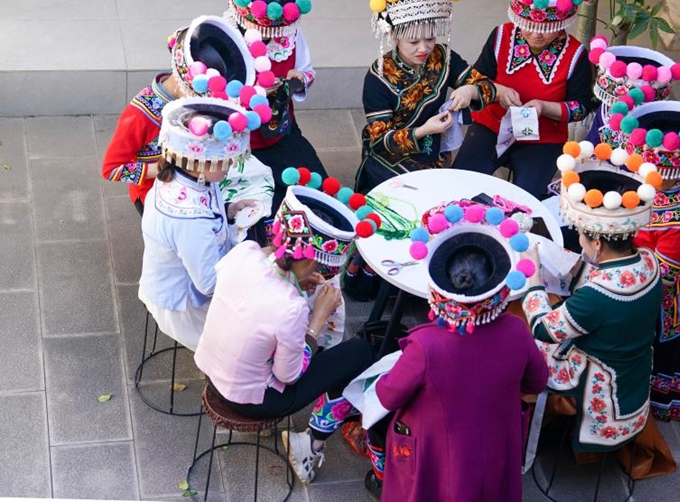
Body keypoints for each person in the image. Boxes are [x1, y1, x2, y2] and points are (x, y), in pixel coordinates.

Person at [194, 181, 377, 484]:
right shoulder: (291, 309)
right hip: (255, 399)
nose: (324, 275)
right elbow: (289, 376)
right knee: (359, 353)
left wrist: (295, 280)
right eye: (322, 268)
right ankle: (311, 444)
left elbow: (263, 276)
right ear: (307, 260)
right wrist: (316, 321)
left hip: (212, 370)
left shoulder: (245, 253)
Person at [360, 208, 549, 501]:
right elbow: (537, 382)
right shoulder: (516, 330)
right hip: (497, 443)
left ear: (439, 292)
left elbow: (387, 396)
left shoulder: (425, 345)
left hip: (436, 451)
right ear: (497, 288)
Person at [520, 145, 663, 451]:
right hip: (632, 368)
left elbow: (544, 328)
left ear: (597, 242)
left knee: (518, 337)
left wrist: (533, 280)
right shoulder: (650, 261)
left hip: (597, 380)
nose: (579, 238)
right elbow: (604, 279)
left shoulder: (597, 296)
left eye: (582, 234)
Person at [609, 100, 680, 424]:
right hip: (636, 261)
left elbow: (662, 275)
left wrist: (612, 257)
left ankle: (661, 401)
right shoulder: (662, 187)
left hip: (666, 302)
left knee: (664, 352)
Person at [452, 0, 599, 199]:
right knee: (460, 186)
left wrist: (544, 107)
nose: (536, 34)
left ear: (562, 23)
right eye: (527, 26)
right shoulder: (501, 36)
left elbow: (581, 107)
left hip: (543, 139)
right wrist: (497, 90)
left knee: (526, 204)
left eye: (546, 27)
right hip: (491, 126)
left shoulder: (576, 55)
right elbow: (477, 78)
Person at [101, 15, 271, 215]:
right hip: (157, 194)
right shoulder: (140, 114)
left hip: (198, 183)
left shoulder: (189, 99)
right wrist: (163, 167)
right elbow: (111, 169)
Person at [354, 0, 495, 193]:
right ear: (394, 37)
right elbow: (380, 140)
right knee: (415, 194)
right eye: (413, 42)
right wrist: (422, 130)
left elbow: (485, 85)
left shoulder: (442, 56)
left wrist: (470, 89)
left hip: (434, 144)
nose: (424, 48)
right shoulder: (379, 77)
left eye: (429, 38)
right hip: (392, 154)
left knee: (443, 194)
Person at [138, 97, 256, 351]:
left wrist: (229, 211)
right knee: (255, 340)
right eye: (225, 160)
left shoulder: (181, 176)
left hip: (177, 285)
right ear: (201, 162)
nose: (231, 164)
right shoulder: (189, 218)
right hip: (185, 305)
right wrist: (254, 263)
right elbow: (210, 285)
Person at [224, 0, 329, 207]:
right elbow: (212, 95)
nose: (272, 36)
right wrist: (255, 92)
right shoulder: (224, 37)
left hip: (282, 131)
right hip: (239, 142)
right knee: (260, 212)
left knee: (317, 194)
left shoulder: (290, 34)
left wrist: (296, 80)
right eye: (264, 31)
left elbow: (307, 71)